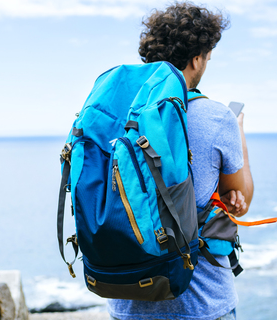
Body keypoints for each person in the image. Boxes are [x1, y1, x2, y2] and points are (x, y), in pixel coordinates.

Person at [107, 2, 254, 319]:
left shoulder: (115, 113)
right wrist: (238, 133)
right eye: (208, 56)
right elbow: (240, 199)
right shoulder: (217, 118)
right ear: (197, 58)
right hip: (201, 303)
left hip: (126, 301)